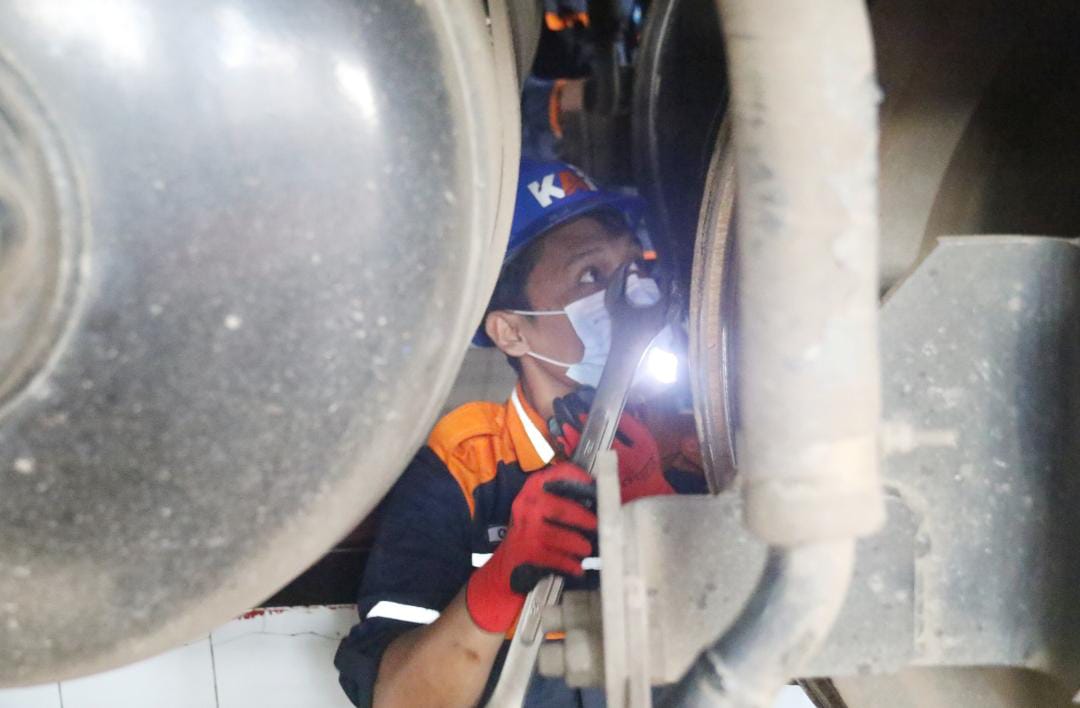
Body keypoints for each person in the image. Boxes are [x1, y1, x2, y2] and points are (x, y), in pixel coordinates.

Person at [335, 158, 703, 707]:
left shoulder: (695, 448)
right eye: (590, 275)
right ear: (510, 330)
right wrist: (497, 586)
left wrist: (658, 508)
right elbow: (401, 698)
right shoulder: (464, 468)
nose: (633, 293)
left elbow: (776, 638)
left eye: (633, 265)